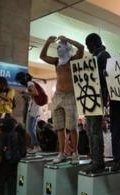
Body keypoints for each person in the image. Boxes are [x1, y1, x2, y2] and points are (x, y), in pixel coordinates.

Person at [40, 35, 84, 164]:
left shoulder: (72, 60)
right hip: (58, 96)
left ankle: (75, 153)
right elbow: (42, 56)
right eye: (58, 47)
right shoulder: (56, 61)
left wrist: (69, 40)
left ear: (67, 48)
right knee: (59, 127)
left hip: (70, 95)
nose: (59, 48)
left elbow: (81, 47)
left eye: (61, 46)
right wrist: (47, 42)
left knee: (72, 126)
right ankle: (61, 153)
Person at [84, 33, 111, 173]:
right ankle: (95, 158)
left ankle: (98, 160)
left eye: (88, 45)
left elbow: (107, 75)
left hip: (97, 96)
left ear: (93, 44)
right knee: (90, 130)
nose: (88, 48)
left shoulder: (104, 55)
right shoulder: (97, 56)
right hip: (91, 96)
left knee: (94, 130)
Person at [15, 72, 42, 154]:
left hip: (34, 108)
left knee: (30, 128)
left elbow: (35, 93)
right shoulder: (30, 84)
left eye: (19, 80)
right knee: (31, 128)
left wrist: (25, 93)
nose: (20, 82)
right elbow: (32, 96)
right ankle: (34, 146)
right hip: (33, 107)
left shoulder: (30, 83)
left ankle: (36, 146)